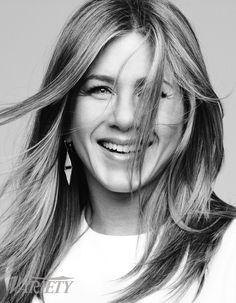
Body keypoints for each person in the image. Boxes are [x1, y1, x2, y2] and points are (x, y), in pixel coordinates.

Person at [0, 0, 235, 302]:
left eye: (152, 93)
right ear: (66, 113)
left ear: (188, 114)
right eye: (100, 89)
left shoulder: (230, 254)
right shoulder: (17, 272)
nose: (125, 118)